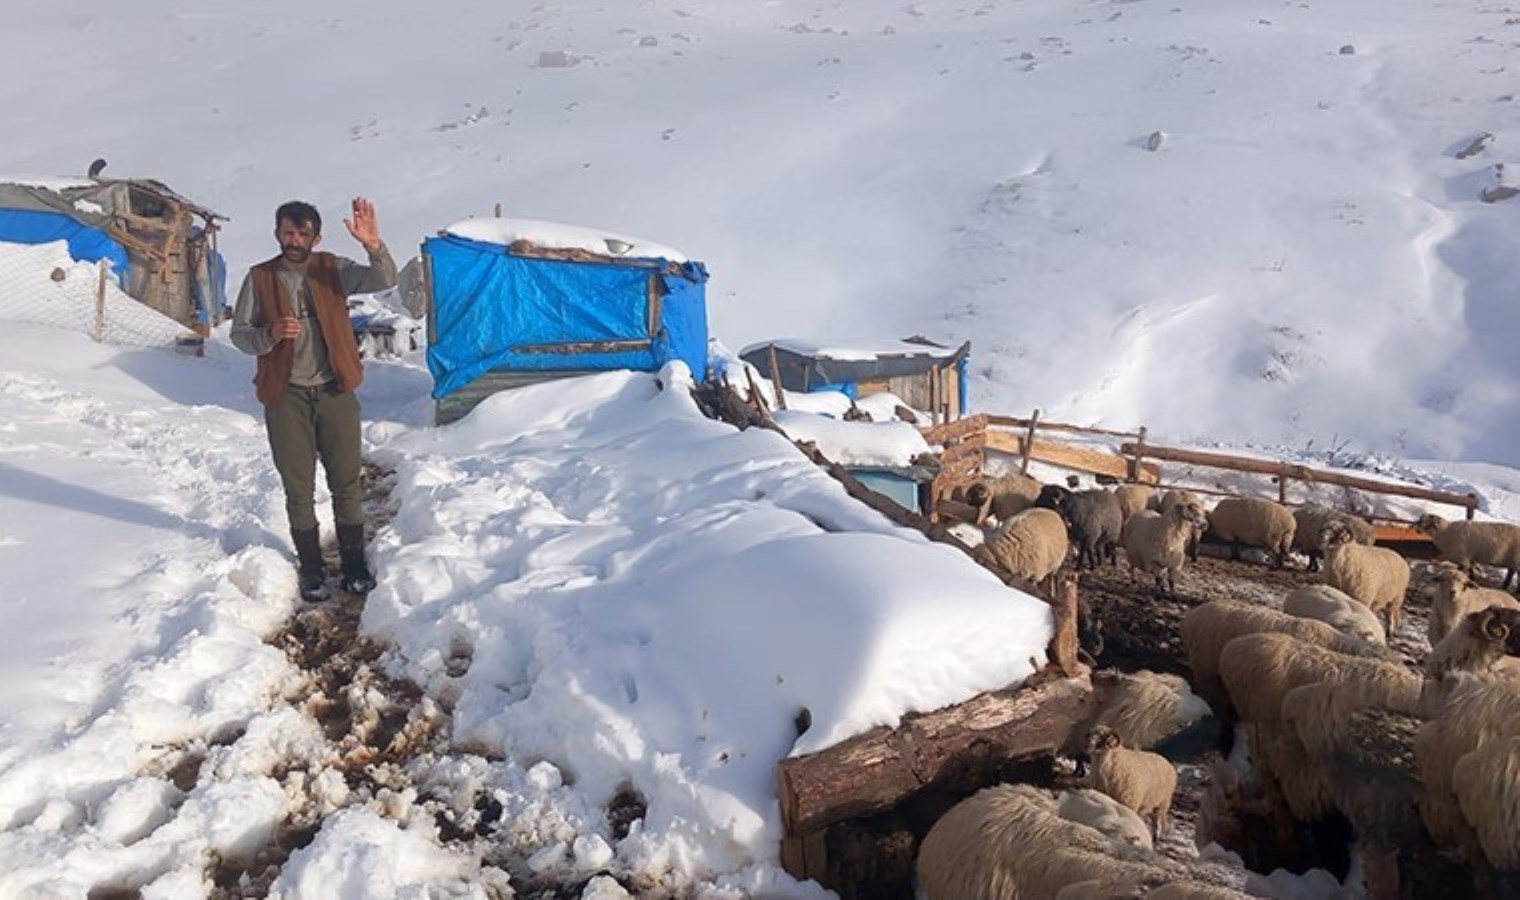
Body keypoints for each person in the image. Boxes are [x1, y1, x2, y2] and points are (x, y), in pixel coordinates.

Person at [231, 197, 397, 601]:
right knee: (298, 487)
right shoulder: (259, 278)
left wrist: (373, 244)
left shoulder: (332, 269)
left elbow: (385, 278)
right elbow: (239, 335)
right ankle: (311, 570)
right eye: (288, 232)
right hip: (285, 396)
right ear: (277, 233)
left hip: (334, 391)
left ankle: (354, 565)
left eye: (303, 233)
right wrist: (270, 333)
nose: (295, 240)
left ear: (316, 237)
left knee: (345, 483)